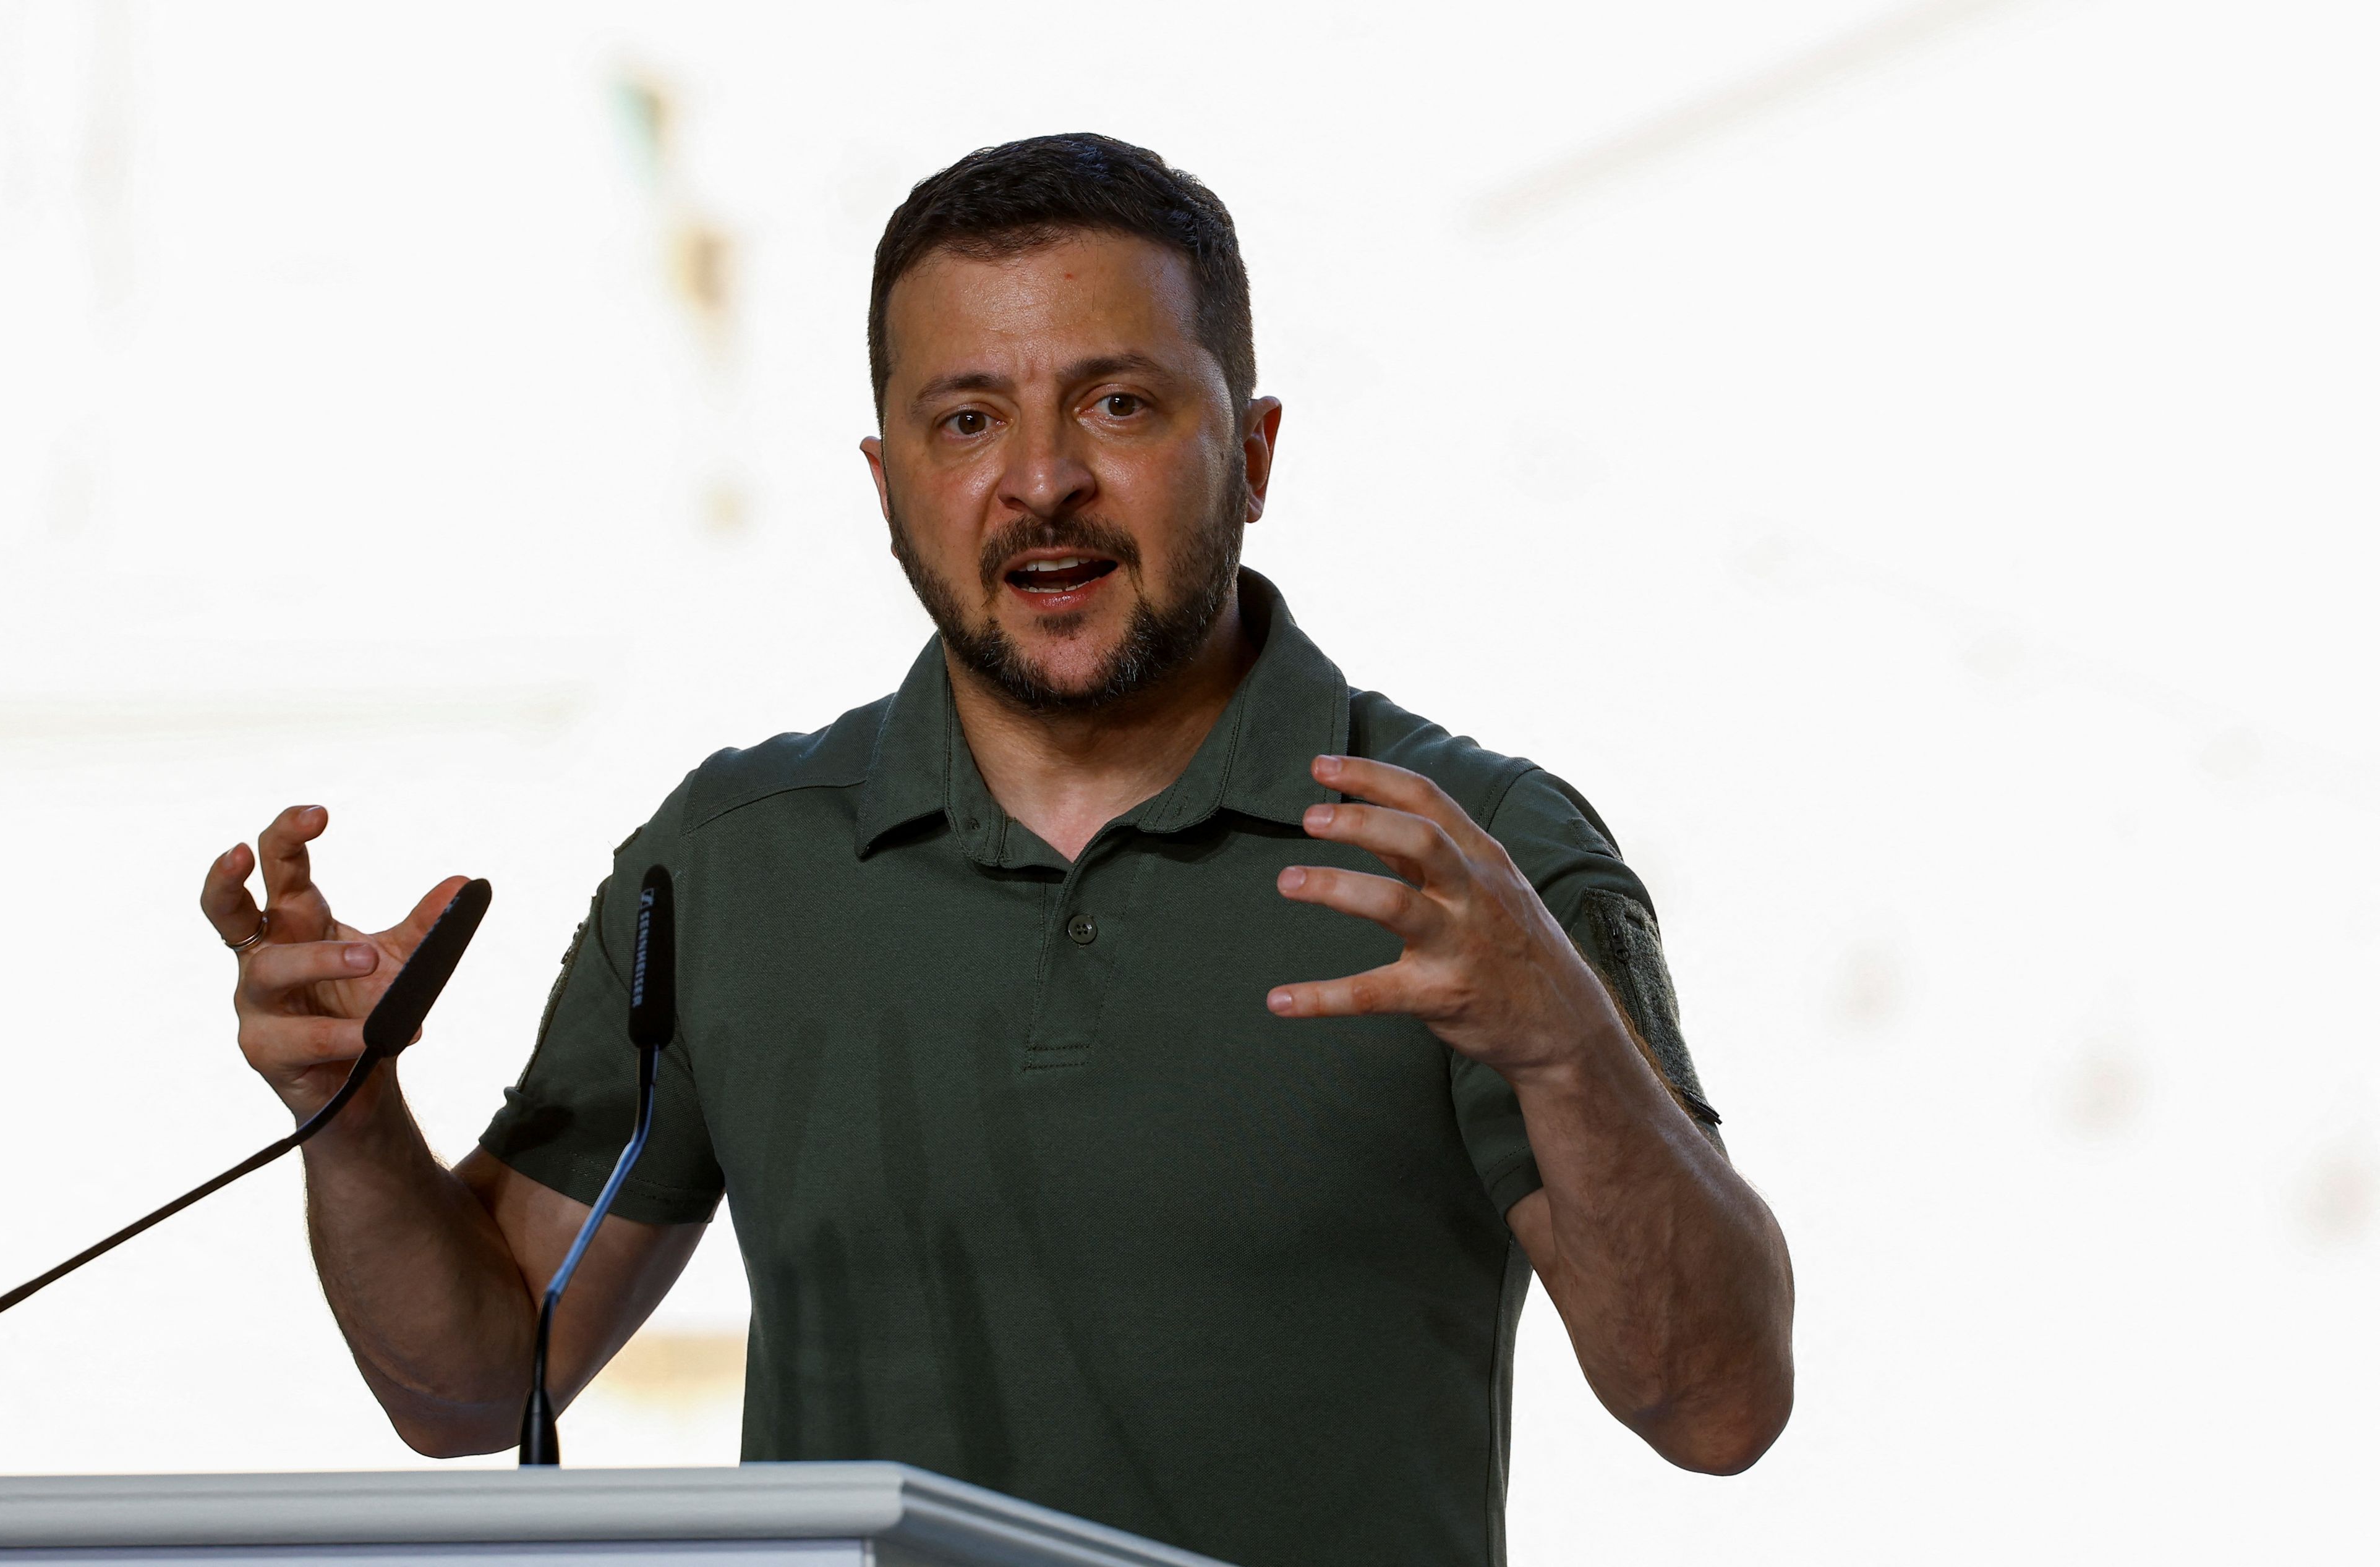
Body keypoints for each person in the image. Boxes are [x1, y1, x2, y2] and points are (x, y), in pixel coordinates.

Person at [200, 133, 1793, 1567]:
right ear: (888, 483)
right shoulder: (733, 861)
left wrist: (1568, 1047)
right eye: (968, 419)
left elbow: (1716, 1405)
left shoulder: (1469, 856)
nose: (1041, 480)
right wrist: (350, 1111)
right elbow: (473, 1383)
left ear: (1251, 452)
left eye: (1117, 403)